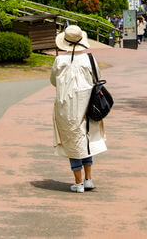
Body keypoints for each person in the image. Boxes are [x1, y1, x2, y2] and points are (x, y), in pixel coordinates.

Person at [50, 25, 107, 193]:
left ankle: (78, 182)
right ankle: (88, 179)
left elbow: (53, 81)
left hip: (66, 105)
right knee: (85, 137)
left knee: (71, 139)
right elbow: (98, 77)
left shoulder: (59, 61)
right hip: (88, 102)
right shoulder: (89, 59)